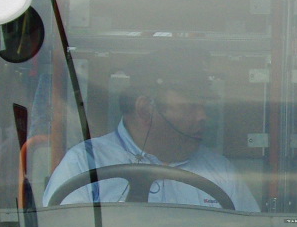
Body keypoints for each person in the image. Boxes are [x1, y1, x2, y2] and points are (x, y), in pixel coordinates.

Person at [47, 67, 258, 211]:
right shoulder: (84, 163)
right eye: (189, 108)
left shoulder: (221, 171)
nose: (203, 117)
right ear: (146, 110)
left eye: (204, 108)